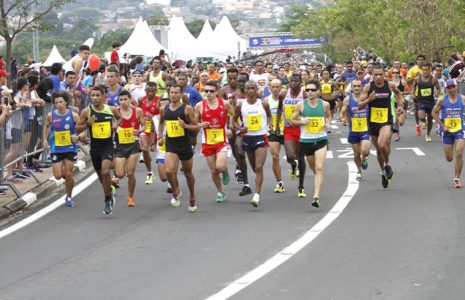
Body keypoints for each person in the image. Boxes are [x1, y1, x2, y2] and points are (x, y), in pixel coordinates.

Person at [77, 86, 122, 215]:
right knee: (101, 176)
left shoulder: (111, 109)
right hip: (95, 147)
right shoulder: (87, 112)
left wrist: (115, 124)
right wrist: (87, 124)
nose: (95, 98)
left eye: (97, 95)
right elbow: (77, 129)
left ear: (103, 96)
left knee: (105, 171)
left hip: (107, 146)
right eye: (93, 95)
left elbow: (119, 118)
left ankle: (107, 200)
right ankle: (109, 190)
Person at [358, 64, 404, 188]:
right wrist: (369, 100)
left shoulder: (390, 85)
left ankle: (387, 164)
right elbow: (359, 105)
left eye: (380, 74)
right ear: (372, 75)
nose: (378, 77)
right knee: (379, 150)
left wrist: (400, 106)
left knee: (382, 144)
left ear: (384, 74)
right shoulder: (369, 87)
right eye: (375, 74)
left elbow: (399, 94)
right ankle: (384, 170)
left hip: (386, 120)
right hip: (373, 122)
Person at [158, 84, 199, 212]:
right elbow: (160, 123)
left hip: (185, 145)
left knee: (188, 174)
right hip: (171, 145)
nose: (174, 95)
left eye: (176, 93)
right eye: (172, 92)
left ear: (181, 94)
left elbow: (196, 126)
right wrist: (160, 136)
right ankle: (176, 190)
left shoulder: (186, 109)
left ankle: (192, 196)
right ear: (168, 93)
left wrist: (185, 126)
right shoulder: (164, 109)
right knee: (169, 171)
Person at [291, 80, 331, 207]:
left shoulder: (325, 104)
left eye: (313, 90)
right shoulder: (300, 105)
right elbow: (292, 121)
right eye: (307, 90)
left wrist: (328, 123)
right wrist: (302, 122)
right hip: (306, 141)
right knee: (314, 168)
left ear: (318, 91)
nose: (310, 92)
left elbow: (329, 116)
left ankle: (316, 197)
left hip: (320, 139)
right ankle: (318, 178)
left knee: (319, 167)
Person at [233, 80, 272, 207]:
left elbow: (270, 115)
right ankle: (257, 182)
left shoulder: (263, 103)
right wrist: (240, 128)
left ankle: (256, 195)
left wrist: (270, 124)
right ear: (244, 90)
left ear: (256, 89)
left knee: (259, 167)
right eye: (248, 88)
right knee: (255, 168)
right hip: (247, 138)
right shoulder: (240, 104)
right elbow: (233, 121)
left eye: (253, 88)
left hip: (261, 136)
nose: (250, 91)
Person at [194, 81, 234, 203]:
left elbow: (232, 114)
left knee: (220, 166)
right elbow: (195, 123)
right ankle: (220, 192)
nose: (209, 93)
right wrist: (200, 124)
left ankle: (225, 171)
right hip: (207, 141)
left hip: (221, 139)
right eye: (206, 91)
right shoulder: (200, 105)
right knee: (213, 170)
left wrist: (230, 127)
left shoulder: (224, 103)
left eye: (211, 91)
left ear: (217, 91)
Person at [43, 92, 80, 207]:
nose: (59, 104)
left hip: (70, 148)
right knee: (58, 176)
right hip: (56, 148)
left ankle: (68, 196)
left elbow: (81, 129)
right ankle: (68, 180)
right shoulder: (51, 115)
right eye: (56, 103)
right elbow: (46, 126)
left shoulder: (74, 115)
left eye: (61, 102)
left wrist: (78, 136)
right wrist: (45, 140)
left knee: (68, 174)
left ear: (66, 102)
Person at [277, 74, 308, 197]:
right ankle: (293, 165)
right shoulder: (283, 94)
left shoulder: (304, 95)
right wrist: (276, 125)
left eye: (296, 81)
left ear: (300, 82)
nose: (294, 83)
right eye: (292, 81)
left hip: (301, 129)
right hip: (288, 128)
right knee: (290, 156)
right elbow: (280, 109)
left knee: (301, 157)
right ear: (289, 82)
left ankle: (301, 187)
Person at [113, 90, 145, 207]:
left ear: (130, 99)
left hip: (133, 145)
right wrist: (114, 126)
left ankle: (130, 197)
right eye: (121, 100)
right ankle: (114, 179)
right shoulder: (115, 111)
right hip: (120, 145)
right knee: (120, 174)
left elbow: (144, 125)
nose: (123, 102)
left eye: (125, 99)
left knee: (130, 173)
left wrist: (140, 131)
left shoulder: (137, 111)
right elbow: (110, 125)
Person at [432, 79, 465, 188]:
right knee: (449, 158)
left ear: (456, 86)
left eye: (453, 87)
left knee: (459, 152)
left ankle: (457, 179)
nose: (451, 89)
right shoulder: (442, 100)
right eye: (449, 87)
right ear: (446, 89)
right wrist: (443, 126)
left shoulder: (463, 99)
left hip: (460, 130)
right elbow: (433, 113)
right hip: (447, 132)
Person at [341, 79, 371, 180]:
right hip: (353, 129)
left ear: (362, 87)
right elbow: (343, 111)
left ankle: (365, 158)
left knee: (365, 151)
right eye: (355, 86)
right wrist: (343, 118)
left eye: (359, 86)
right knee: (356, 153)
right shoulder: (347, 99)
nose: (357, 88)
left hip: (365, 128)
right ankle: (359, 171)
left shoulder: (367, 98)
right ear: (352, 87)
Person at [264, 78, 285, 192]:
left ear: (281, 88)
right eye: (273, 87)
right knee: (275, 156)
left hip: (286, 130)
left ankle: (293, 165)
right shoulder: (266, 101)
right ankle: (280, 182)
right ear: (270, 88)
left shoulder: (286, 100)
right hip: (272, 132)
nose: (275, 89)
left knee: (292, 156)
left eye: (278, 87)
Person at [411, 63, 440, 142]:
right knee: (421, 117)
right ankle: (423, 121)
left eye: (427, 70)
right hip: (421, 101)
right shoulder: (417, 79)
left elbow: (438, 88)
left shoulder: (433, 79)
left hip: (430, 102)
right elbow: (413, 86)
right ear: (422, 70)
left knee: (430, 119)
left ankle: (428, 134)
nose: (425, 71)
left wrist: (437, 92)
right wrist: (413, 94)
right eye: (423, 70)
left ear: (430, 70)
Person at [138, 81, 159, 184]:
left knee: (163, 155)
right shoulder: (141, 100)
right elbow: (138, 113)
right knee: (144, 149)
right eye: (148, 91)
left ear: (156, 91)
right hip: (146, 126)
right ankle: (150, 172)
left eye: (152, 91)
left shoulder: (159, 101)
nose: (150, 93)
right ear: (145, 90)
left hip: (158, 128)